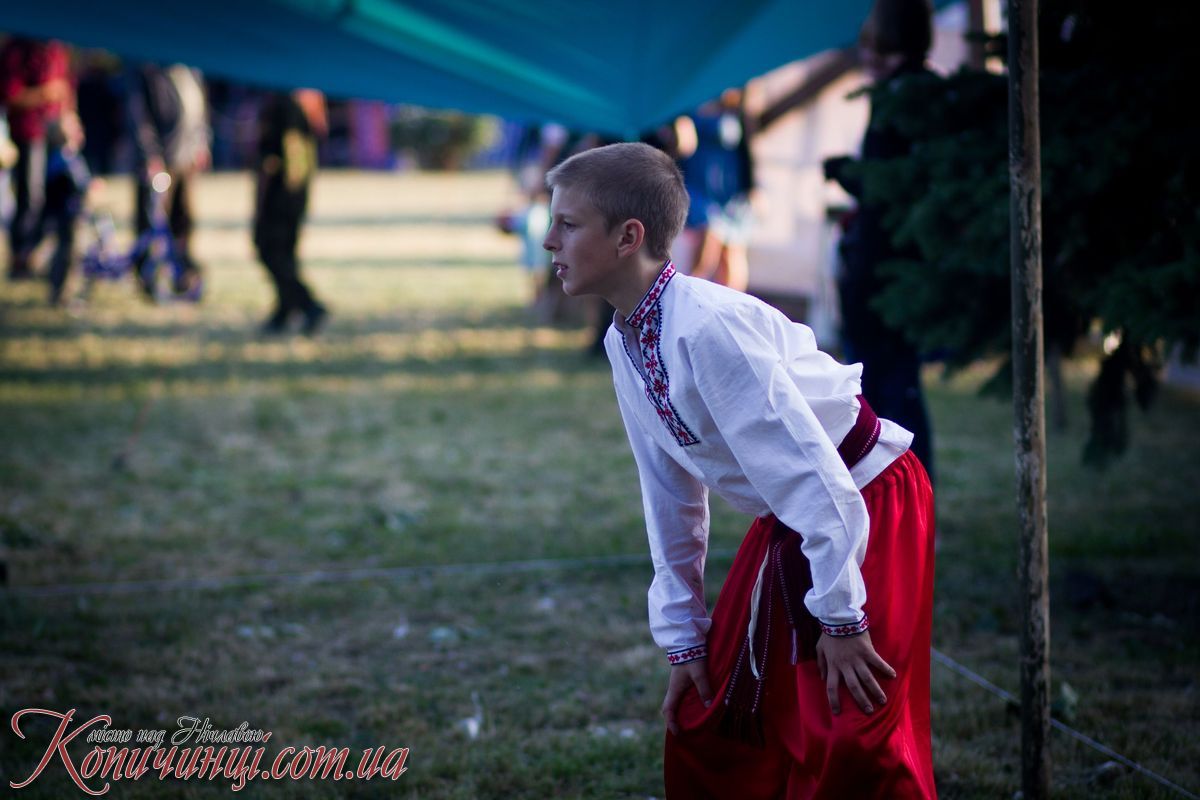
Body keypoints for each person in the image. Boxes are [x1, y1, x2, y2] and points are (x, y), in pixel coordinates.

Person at [542, 142, 935, 798]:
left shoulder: (708, 330)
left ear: (628, 237)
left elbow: (816, 478)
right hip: (796, 514)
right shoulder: (624, 337)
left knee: (851, 734)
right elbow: (668, 490)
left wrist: (842, 619)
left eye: (568, 224)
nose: (549, 240)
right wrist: (686, 637)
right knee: (713, 717)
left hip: (864, 501)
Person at [824, 0, 937, 481]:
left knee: (891, 391)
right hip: (884, 262)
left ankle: (904, 492)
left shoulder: (910, 95)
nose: (868, 57)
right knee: (886, 386)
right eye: (867, 46)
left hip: (890, 269)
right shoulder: (904, 91)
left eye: (880, 47)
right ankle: (890, 491)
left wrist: (845, 172)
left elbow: (894, 184)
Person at [126, 62, 209, 298]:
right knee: (154, 222)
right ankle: (149, 278)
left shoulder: (192, 69)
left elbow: (200, 111)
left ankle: (181, 276)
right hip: (161, 159)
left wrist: (202, 144)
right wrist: (150, 154)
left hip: (186, 158)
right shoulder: (147, 70)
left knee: (183, 220)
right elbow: (138, 117)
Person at [253, 88, 327, 336]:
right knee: (283, 254)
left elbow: (282, 156)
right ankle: (285, 310)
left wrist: (268, 192)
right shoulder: (304, 102)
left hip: (282, 195)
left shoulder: (286, 106)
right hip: (294, 194)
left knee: (270, 250)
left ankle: (308, 305)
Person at [1, 36, 73, 281]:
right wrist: (43, 94)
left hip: (55, 132)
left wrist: (68, 117)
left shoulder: (56, 47)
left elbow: (65, 89)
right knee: (30, 196)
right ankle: (21, 257)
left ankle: (42, 255)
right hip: (28, 131)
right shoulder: (17, 49)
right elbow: (10, 95)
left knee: (59, 197)